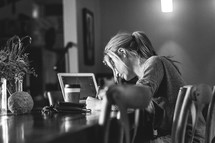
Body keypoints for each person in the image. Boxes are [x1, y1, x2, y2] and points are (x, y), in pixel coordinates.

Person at [86, 31, 205, 142]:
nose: (115, 73)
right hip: (183, 136)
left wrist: (98, 104)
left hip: (186, 138)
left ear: (122, 52)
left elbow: (139, 100)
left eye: (113, 63)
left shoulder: (154, 62)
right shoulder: (151, 70)